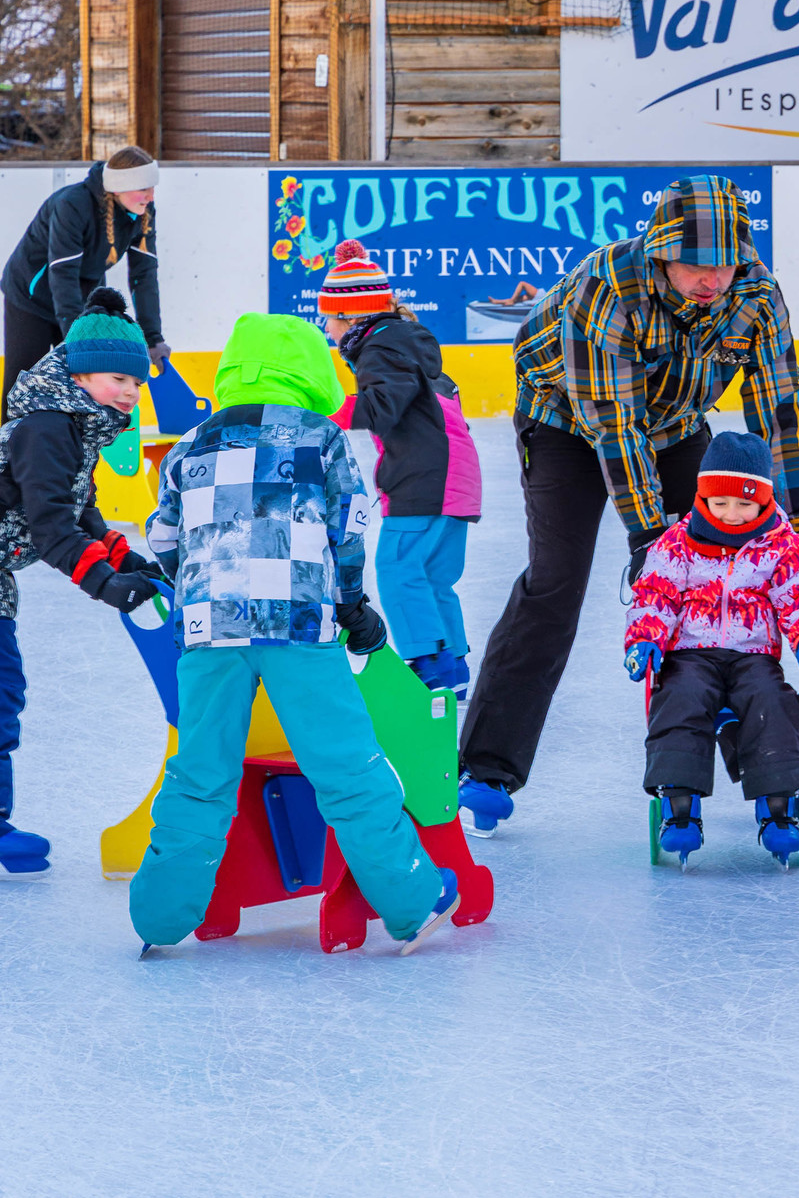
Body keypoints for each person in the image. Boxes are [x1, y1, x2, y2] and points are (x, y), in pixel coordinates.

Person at [458, 175, 799, 835]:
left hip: (679, 424)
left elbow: (779, 415)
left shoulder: (755, 293)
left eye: (723, 263)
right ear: (662, 250)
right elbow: (616, 425)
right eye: (695, 263)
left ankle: (764, 763)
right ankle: (487, 764)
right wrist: (647, 540)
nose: (711, 279)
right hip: (565, 427)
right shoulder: (607, 284)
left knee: (736, 566)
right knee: (555, 585)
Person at [130, 311, 459, 957]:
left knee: (200, 771)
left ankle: (159, 917)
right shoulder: (323, 439)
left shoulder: (191, 444)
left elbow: (163, 538)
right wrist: (355, 606)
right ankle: (412, 900)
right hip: (299, 625)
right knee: (345, 765)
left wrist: (199, 583)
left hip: (206, 627)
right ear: (310, 374)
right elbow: (348, 530)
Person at [0, 289, 163, 872]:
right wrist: (104, 584)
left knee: (4, 691)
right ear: (79, 372)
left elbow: (83, 512)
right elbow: (50, 527)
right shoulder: (46, 427)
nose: (129, 391)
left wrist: (126, 561)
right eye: (118, 377)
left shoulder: (77, 423)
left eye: (137, 382)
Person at [623, 430, 799, 864]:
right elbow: (656, 595)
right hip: (689, 655)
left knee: (773, 701)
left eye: (744, 504)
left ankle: (779, 807)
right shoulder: (677, 543)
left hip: (752, 656)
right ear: (703, 498)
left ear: (765, 501)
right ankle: (679, 806)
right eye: (721, 503)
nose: (732, 514)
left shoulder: (781, 546)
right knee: (679, 698)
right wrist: (646, 638)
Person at [318, 239, 483, 699]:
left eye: (329, 318)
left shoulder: (382, 348)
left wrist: (325, 413)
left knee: (396, 568)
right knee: (431, 576)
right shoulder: (406, 345)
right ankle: (453, 667)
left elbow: (381, 406)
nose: (327, 330)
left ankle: (427, 665)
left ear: (351, 317)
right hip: (455, 479)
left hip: (424, 479)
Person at [2, 148, 167, 412]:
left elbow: (144, 274)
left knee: (88, 383)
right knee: (24, 382)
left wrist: (153, 337)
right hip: (31, 296)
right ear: (118, 187)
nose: (151, 195)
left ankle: (73, 448)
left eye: (152, 187)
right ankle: (7, 448)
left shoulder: (143, 211)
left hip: (85, 293)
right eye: (143, 188)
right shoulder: (73, 205)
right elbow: (63, 275)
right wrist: (77, 338)